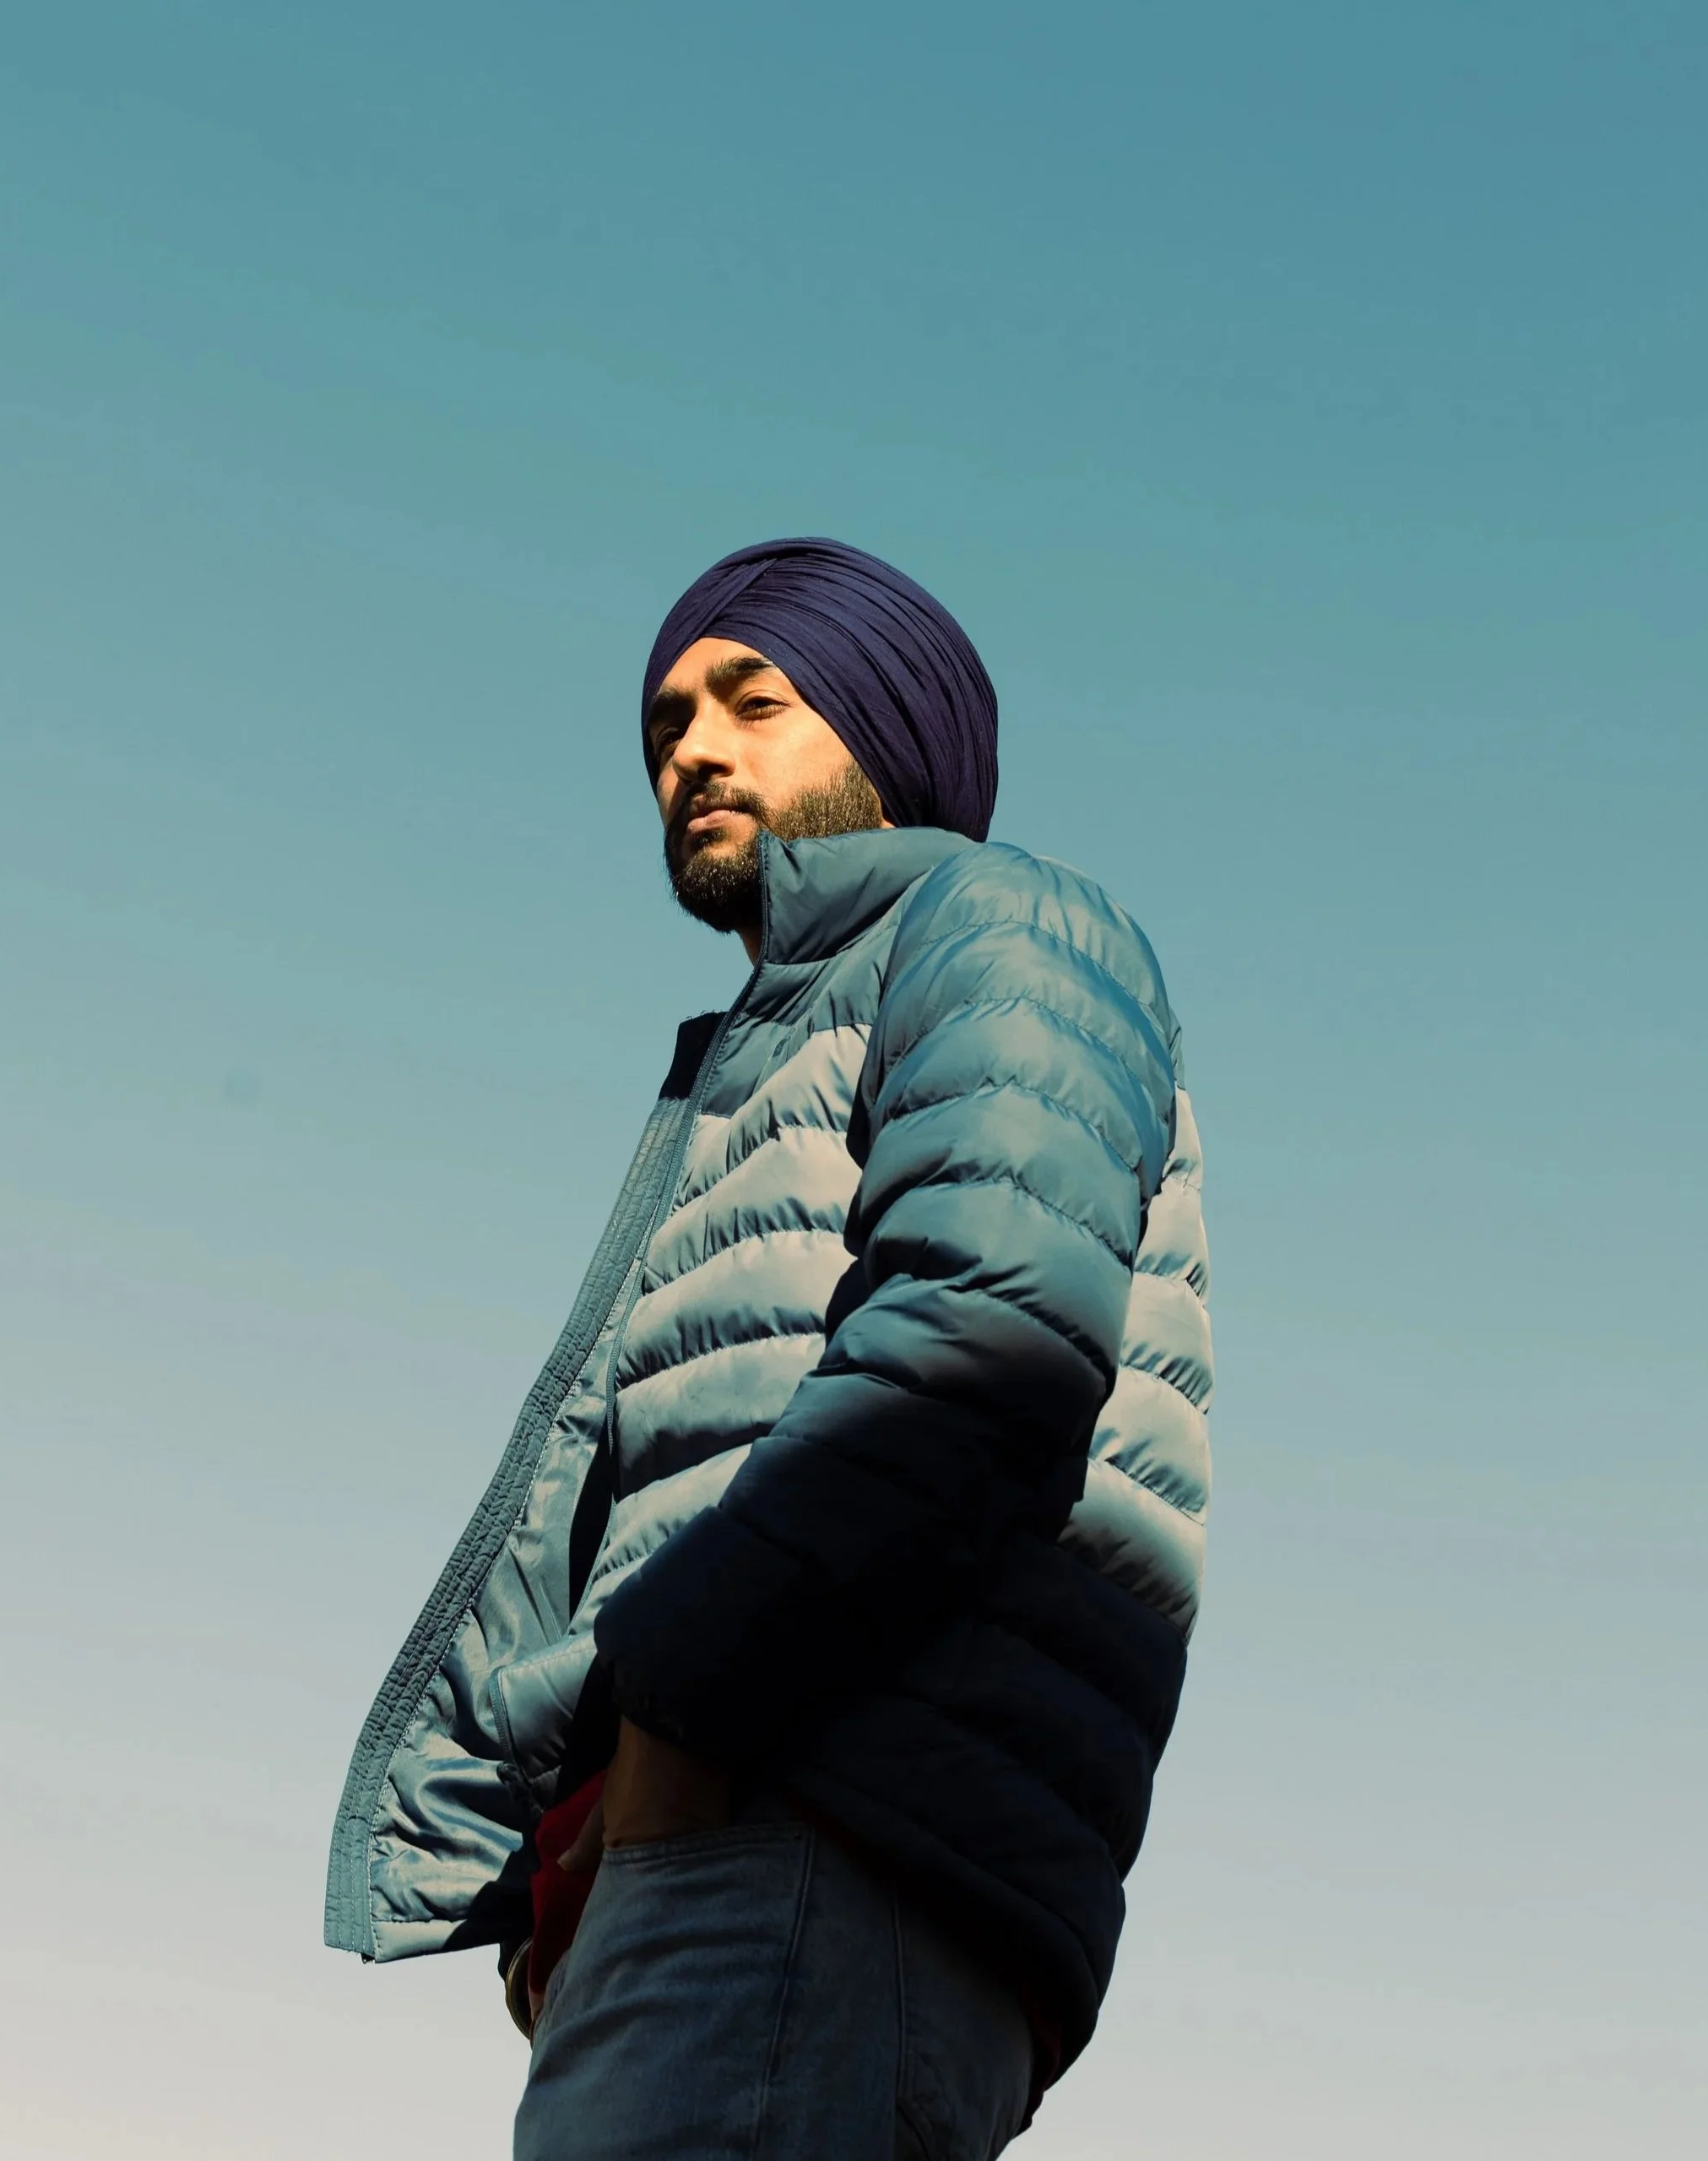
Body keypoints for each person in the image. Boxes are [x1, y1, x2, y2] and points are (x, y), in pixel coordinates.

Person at [324, 537, 1212, 2159]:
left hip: (809, 1827)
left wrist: (669, 1751)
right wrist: (572, 1846)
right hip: (735, 1843)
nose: (694, 753)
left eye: (755, 699)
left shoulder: (1001, 924)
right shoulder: (777, 1049)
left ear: (888, 732)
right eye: (666, 725)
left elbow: (982, 1350)